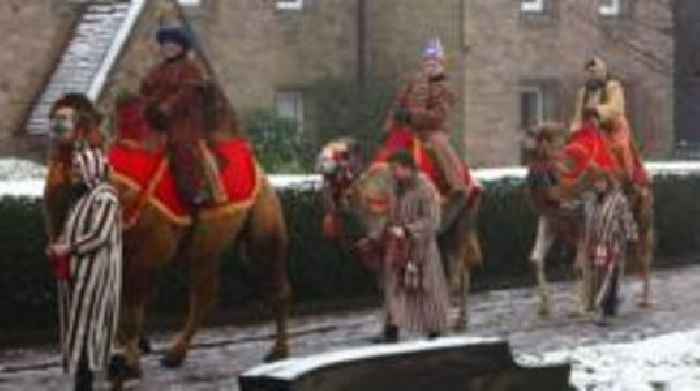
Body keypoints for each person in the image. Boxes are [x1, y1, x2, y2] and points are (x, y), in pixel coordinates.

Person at [46, 148, 122, 391]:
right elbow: (73, 232)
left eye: (79, 169)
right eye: (75, 169)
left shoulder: (105, 198)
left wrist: (68, 248)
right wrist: (58, 246)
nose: (74, 174)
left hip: (96, 275)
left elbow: (100, 235)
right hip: (78, 275)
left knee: (89, 327)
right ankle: (116, 367)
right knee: (82, 326)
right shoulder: (84, 198)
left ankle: (87, 381)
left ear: (93, 169)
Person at [374, 151, 450, 342]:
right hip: (398, 249)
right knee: (393, 288)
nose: (393, 173)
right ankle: (391, 330)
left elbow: (433, 221)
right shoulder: (394, 189)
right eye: (391, 169)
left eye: (395, 169)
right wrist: (376, 236)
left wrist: (409, 231)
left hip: (421, 250)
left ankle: (435, 332)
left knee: (427, 292)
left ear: (408, 168)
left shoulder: (426, 188)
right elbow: (388, 216)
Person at [141, 26, 220, 207]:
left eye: (172, 45)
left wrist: (168, 106)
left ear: (182, 47)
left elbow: (188, 92)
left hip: (184, 122)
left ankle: (194, 191)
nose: (168, 48)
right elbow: (146, 89)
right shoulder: (157, 70)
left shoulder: (191, 69)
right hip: (157, 121)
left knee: (181, 146)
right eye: (165, 45)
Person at [383, 38, 467, 207]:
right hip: (408, 130)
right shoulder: (413, 82)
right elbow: (398, 104)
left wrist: (412, 116)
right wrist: (389, 125)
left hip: (431, 131)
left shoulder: (444, 87)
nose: (430, 65)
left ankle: (457, 184)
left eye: (434, 62)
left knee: (439, 143)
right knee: (388, 148)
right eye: (428, 61)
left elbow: (438, 116)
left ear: (441, 64)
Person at [569, 56, 649, 188]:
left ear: (602, 71)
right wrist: (574, 131)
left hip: (613, 127)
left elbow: (616, 108)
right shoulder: (583, 92)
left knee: (620, 146)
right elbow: (578, 115)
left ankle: (629, 178)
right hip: (590, 128)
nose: (591, 75)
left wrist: (596, 111)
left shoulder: (613, 87)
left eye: (594, 72)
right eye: (589, 73)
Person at [581, 170, 637, 326]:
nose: (599, 185)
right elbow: (589, 223)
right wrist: (588, 241)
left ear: (608, 182)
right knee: (600, 274)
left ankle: (604, 309)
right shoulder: (592, 201)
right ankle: (608, 305)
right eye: (596, 182)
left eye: (602, 182)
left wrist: (631, 236)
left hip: (614, 242)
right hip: (599, 243)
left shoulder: (618, 199)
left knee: (610, 273)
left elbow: (627, 219)